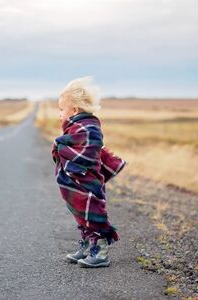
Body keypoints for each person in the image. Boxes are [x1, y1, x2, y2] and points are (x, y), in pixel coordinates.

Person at [51, 76, 127, 268]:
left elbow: (88, 152)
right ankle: (87, 246)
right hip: (77, 180)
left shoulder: (89, 127)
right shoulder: (75, 127)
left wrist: (61, 146)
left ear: (74, 110)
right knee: (81, 214)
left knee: (92, 214)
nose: (59, 114)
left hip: (88, 181)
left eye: (62, 110)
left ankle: (100, 252)